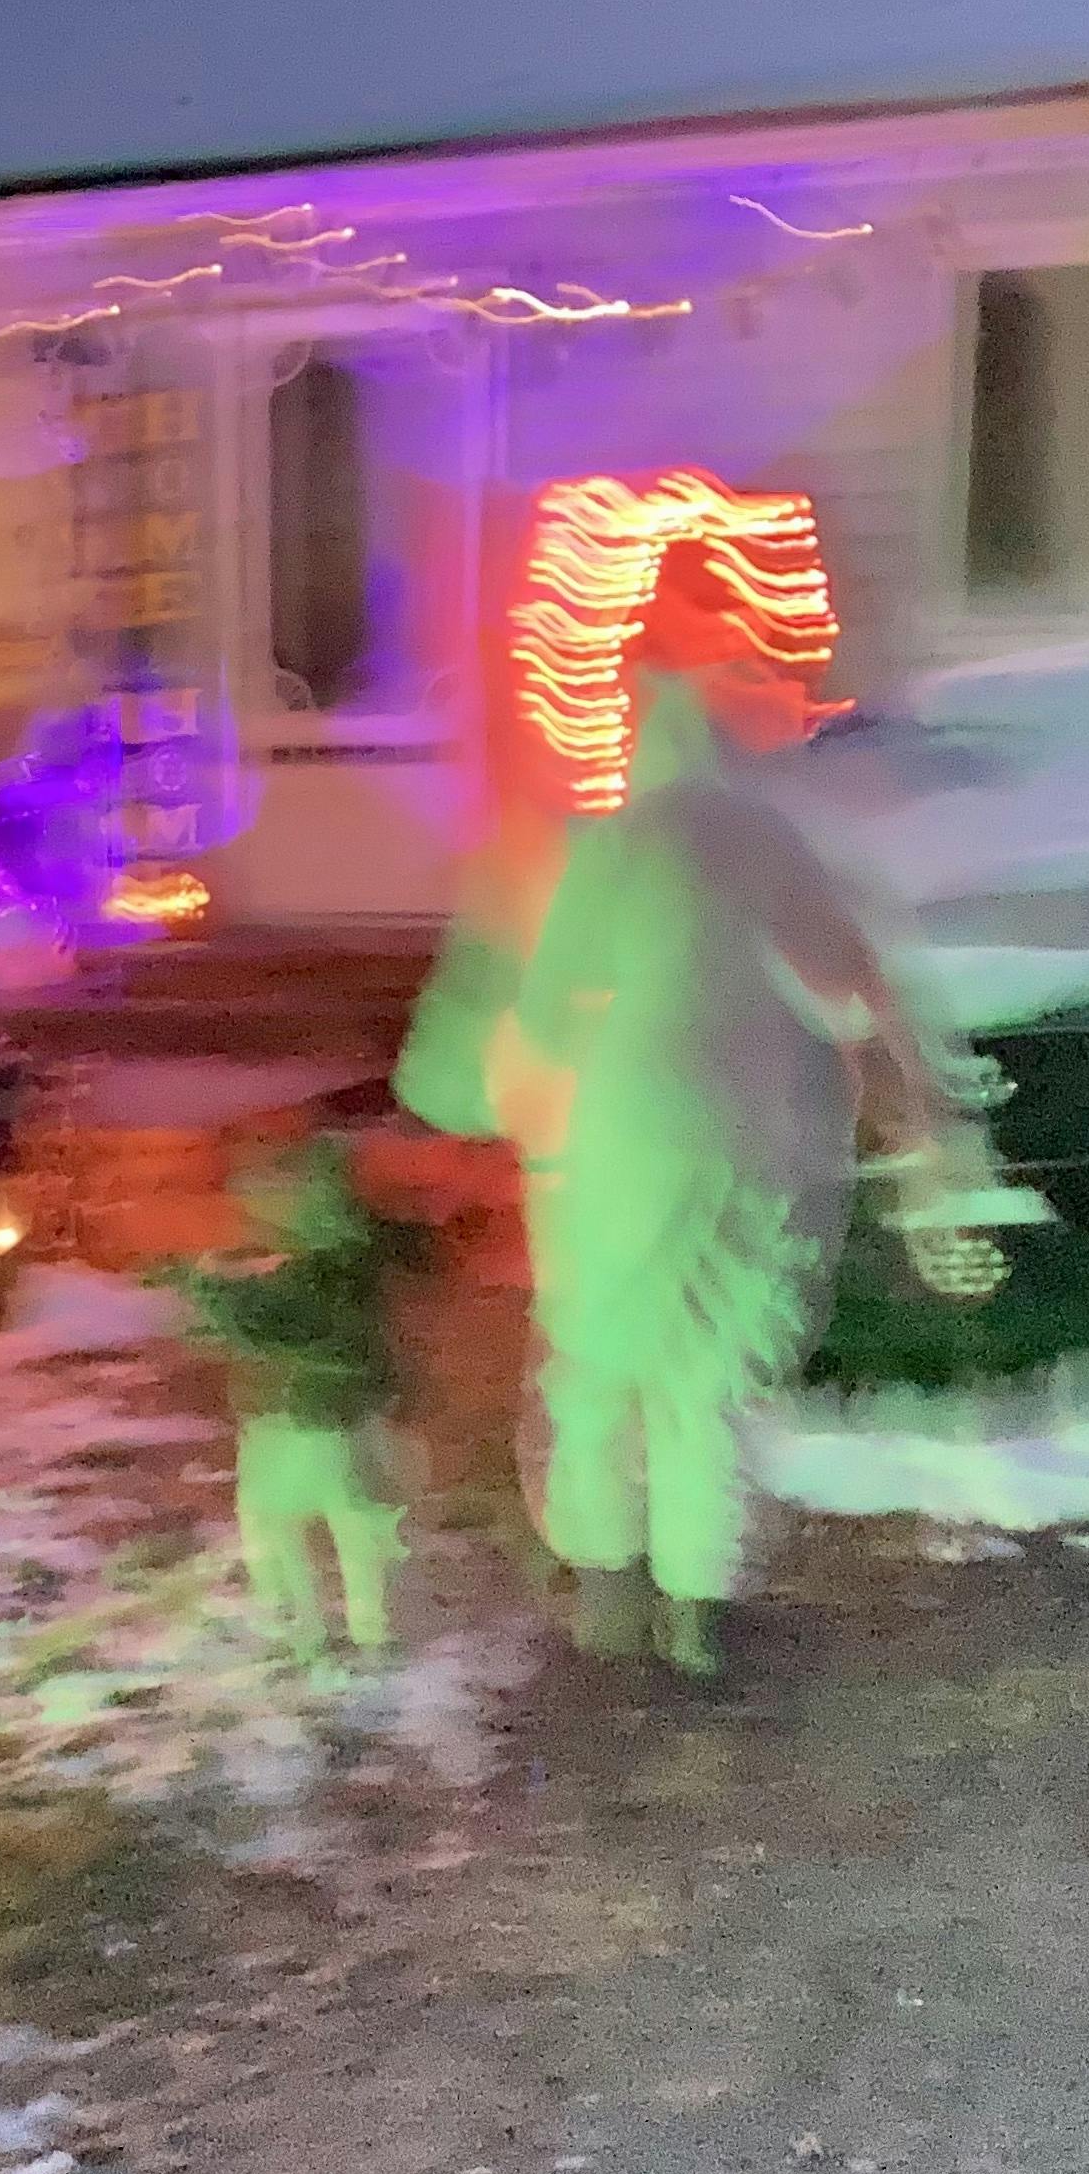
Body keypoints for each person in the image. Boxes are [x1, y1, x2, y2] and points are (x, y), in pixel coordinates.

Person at [397, 664, 975, 1675]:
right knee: (711, 1367)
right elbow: (854, 975)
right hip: (757, 1116)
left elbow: (547, 1009)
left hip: (633, 1122)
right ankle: (698, 1612)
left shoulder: (618, 844)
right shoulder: (767, 839)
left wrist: (518, 1111)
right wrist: (909, 1113)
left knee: (603, 1356)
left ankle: (608, 1592)